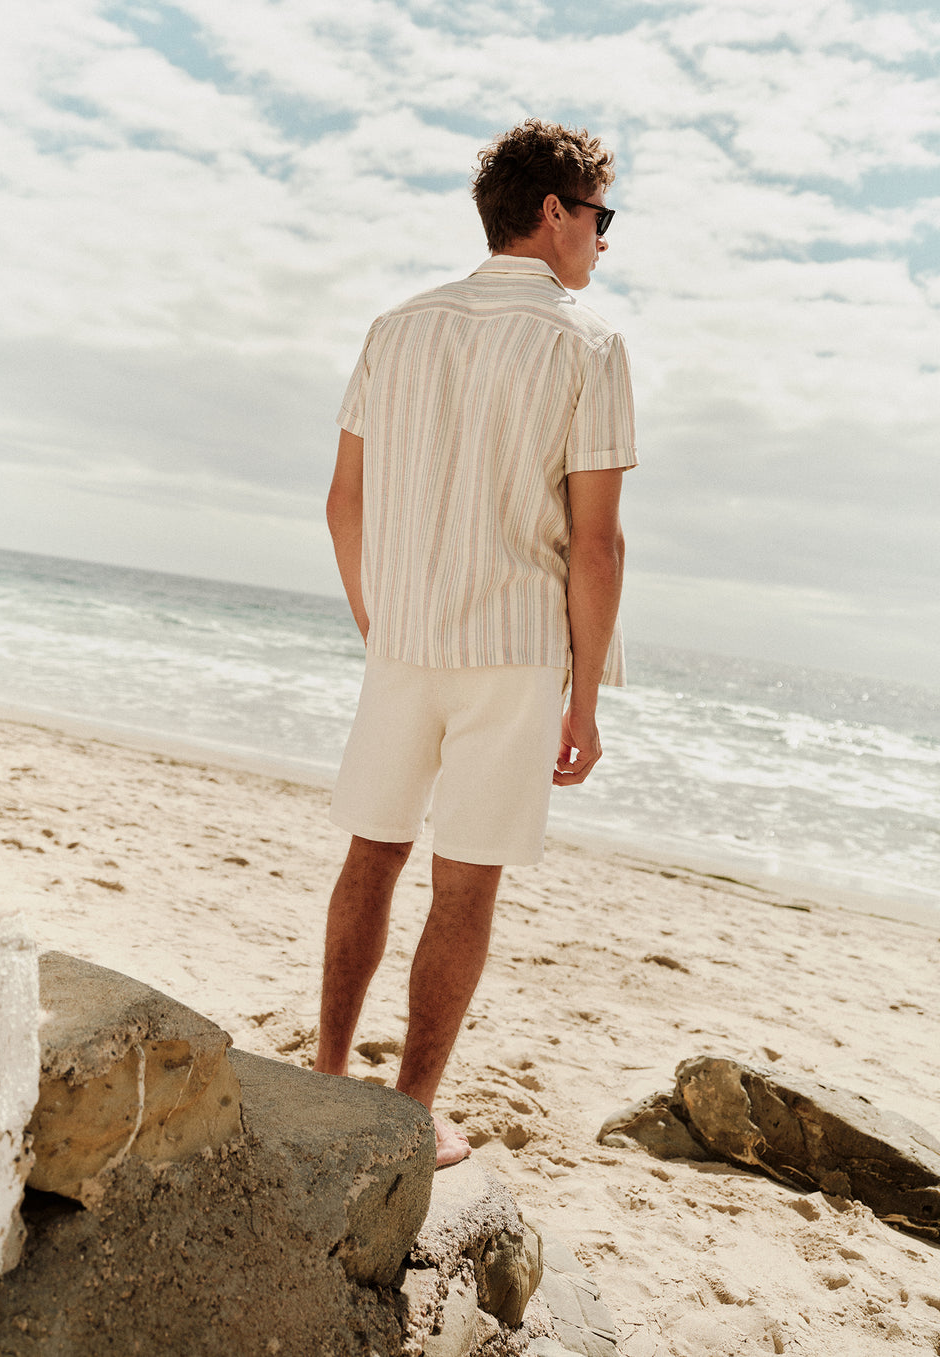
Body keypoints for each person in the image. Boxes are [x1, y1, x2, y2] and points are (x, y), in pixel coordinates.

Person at [313, 118, 638, 1167]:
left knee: (371, 852)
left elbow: (344, 502)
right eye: (600, 216)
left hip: (404, 640)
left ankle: (326, 1074)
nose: (604, 240)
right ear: (552, 211)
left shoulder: (397, 326)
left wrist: (379, 618)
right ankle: (410, 1109)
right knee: (466, 883)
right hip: (512, 650)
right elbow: (597, 545)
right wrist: (586, 699)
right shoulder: (589, 344)